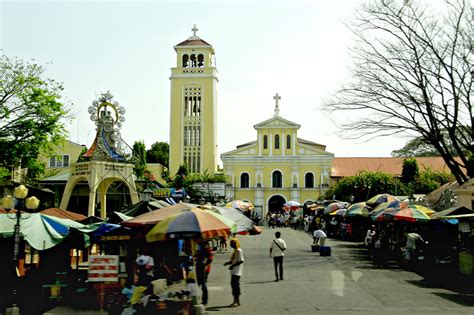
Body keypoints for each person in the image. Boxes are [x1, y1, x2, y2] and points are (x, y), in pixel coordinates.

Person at [223, 238, 244, 307]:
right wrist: (228, 263)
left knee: (235, 287)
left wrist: (232, 266)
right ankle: (236, 301)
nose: (231, 245)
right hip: (234, 272)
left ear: (236, 243)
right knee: (233, 286)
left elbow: (241, 261)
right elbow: (234, 260)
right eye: (231, 243)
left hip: (237, 272)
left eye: (232, 243)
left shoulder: (238, 251)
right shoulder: (235, 251)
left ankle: (237, 302)